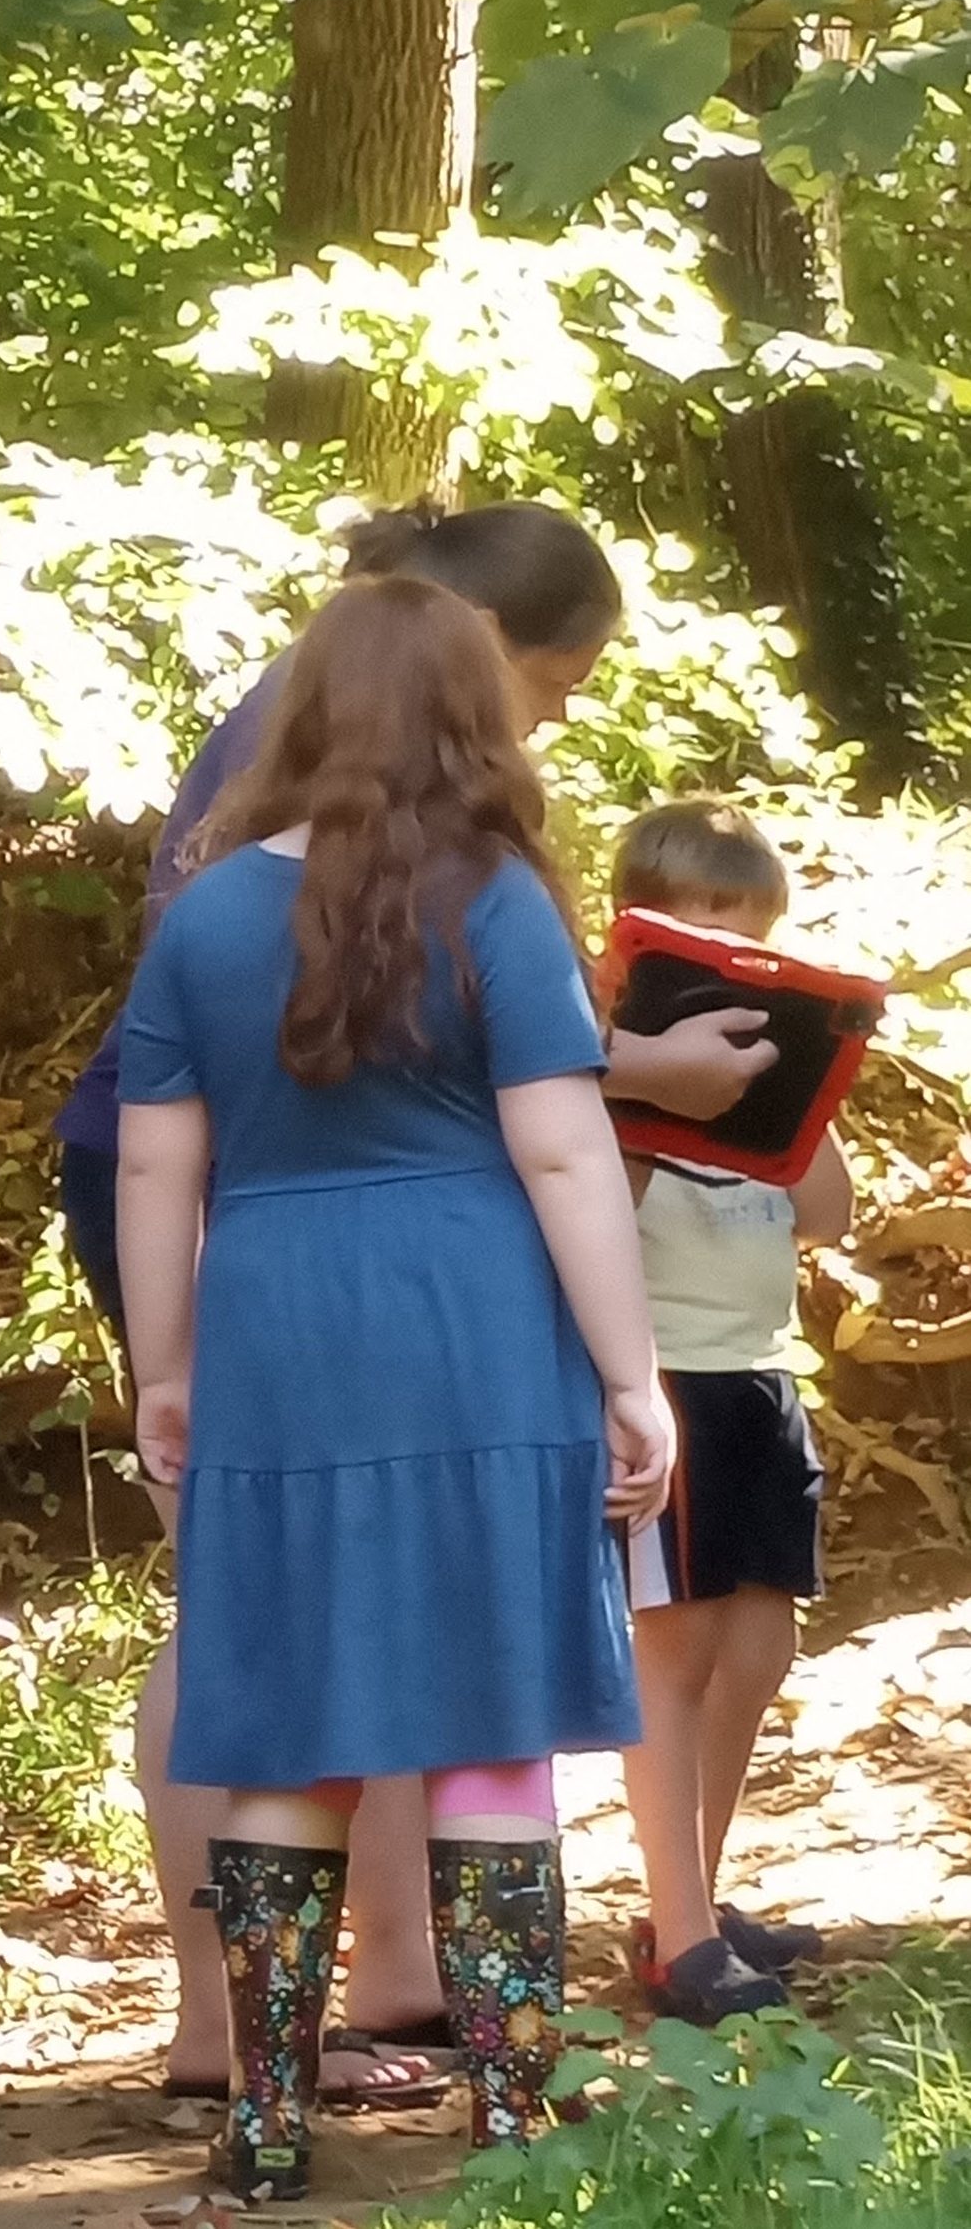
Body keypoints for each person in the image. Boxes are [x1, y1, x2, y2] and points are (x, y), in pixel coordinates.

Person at [53, 501, 772, 2101]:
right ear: (475, 690)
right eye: (555, 680)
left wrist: (164, 1361)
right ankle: (520, 2101)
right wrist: (633, 1373)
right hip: (468, 1304)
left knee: (272, 1666)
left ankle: (264, 2097)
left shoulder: (218, 899)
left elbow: (162, 1166)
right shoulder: (498, 893)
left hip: (268, 1296)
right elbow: (568, 1152)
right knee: (494, 1694)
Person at [612, 800, 850, 2026]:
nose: (731, 948)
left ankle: (691, 1897)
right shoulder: (615, 1062)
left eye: (751, 926)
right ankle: (678, 1934)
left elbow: (828, 1214)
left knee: (759, 1649)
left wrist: (797, 1086)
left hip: (759, 1375)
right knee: (680, 1651)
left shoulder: (767, 1071)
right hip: (671, 1382)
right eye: (705, 922)